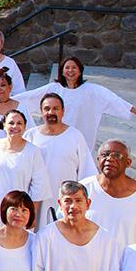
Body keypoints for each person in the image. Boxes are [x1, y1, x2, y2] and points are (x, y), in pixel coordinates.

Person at [16, 56, 136, 149]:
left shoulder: (92, 90)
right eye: (67, 68)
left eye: (74, 68)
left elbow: (114, 99)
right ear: (62, 71)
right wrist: (3, 102)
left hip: (81, 137)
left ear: (80, 70)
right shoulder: (53, 88)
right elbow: (29, 97)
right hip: (55, 137)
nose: (70, 71)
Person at [26, 94, 97, 224]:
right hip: (36, 201)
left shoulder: (75, 136)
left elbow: (87, 172)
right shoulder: (30, 136)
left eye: (56, 108)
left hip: (66, 201)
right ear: (41, 111)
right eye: (47, 108)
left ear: (63, 111)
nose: (51, 112)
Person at [80, 140, 136, 249]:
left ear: (128, 162)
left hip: (127, 264)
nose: (110, 159)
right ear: (98, 160)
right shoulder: (83, 189)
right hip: (89, 263)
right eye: (105, 155)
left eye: (117, 155)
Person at [0, 109, 48, 215]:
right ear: (4, 125)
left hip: (20, 211)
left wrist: (32, 214)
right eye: (11, 123)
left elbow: (39, 186)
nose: (15, 126)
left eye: (19, 123)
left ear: (24, 127)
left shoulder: (33, 151)